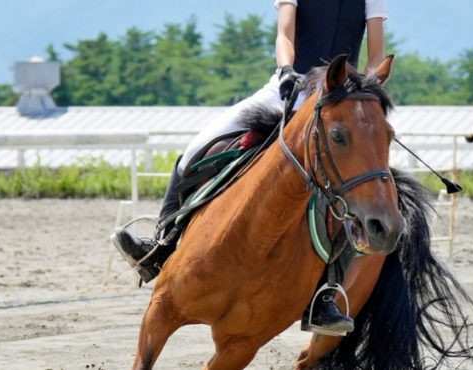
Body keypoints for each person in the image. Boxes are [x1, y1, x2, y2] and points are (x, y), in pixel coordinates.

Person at [112, 0, 388, 334]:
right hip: (290, 88)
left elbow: (376, 53)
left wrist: (364, 88)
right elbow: (284, 35)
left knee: (355, 189)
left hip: (339, 99)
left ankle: (324, 294)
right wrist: (287, 71)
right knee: (197, 146)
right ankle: (160, 245)